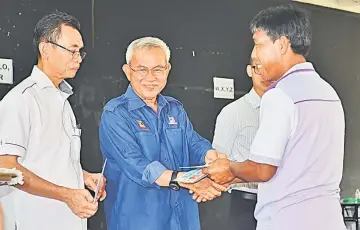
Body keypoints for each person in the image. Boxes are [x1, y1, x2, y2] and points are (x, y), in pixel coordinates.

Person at [204, 5, 346, 230]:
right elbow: (291, 168)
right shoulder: (328, 92)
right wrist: (232, 176)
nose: (256, 56)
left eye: (259, 45)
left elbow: (263, 169)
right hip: (328, 220)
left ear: (281, 45)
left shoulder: (280, 95)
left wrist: (229, 168)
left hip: (287, 221)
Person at [99, 36, 227, 230]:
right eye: (142, 69)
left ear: (167, 70)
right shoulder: (115, 114)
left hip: (181, 218)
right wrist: (189, 182)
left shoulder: (175, 109)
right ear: (127, 71)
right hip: (138, 220)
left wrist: (211, 156)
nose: (151, 77)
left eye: (158, 69)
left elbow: (192, 142)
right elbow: (137, 165)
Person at [0, 11, 106, 230]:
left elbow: (46, 160)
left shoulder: (63, 100)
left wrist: (83, 177)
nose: (78, 58)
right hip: (34, 221)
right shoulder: (22, 100)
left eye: (80, 52)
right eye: (72, 50)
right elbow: (6, 168)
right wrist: (67, 195)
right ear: (45, 49)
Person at [212, 58, 271, 230]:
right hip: (246, 204)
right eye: (259, 68)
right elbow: (218, 164)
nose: (266, 74)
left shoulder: (287, 110)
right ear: (249, 70)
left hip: (282, 202)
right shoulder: (232, 113)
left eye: (271, 68)